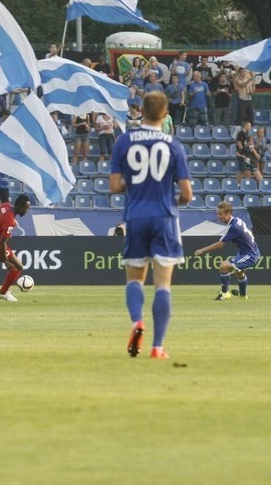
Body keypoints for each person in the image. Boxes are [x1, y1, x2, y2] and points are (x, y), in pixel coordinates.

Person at [109, 90, 192, 359]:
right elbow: (187, 194)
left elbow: (114, 186)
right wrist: (167, 200)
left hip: (135, 216)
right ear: (166, 114)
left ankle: (137, 322)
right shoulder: (173, 145)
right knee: (163, 284)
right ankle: (157, 347)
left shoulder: (124, 141)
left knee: (134, 278)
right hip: (164, 216)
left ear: (141, 111)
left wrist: (136, 187)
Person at [194, 202, 260, 301]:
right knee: (239, 273)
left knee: (223, 266)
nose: (218, 216)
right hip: (247, 252)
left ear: (228, 213)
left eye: (220, 214)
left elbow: (220, 245)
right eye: (218, 214)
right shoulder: (237, 220)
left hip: (250, 254)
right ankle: (243, 296)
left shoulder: (233, 227)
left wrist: (202, 250)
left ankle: (225, 293)